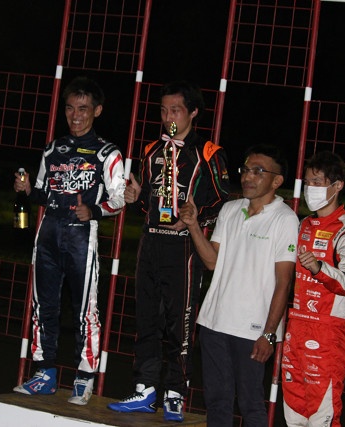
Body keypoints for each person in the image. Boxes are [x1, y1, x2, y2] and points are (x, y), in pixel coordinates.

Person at [107, 80, 230, 422]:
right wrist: (135, 198)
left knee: (180, 322)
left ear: (193, 112)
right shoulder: (151, 150)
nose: (168, 117)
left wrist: (196, 218)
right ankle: (145, 389)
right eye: (163, 110)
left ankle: (175, 392)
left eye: (176, 110)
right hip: (151, 242)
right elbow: (146, 200)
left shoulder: (209, 153)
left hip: (185, 246)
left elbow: (223, 201)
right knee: (146, 319)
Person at [12, 76, 126, 406]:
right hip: (48, 233)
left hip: (81, 237)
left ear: (97, 111)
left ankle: (84, 377)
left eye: (83, 109)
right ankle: (44, 373)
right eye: (70, 108)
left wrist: (95, 211)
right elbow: (41, 192)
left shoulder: (107, 152)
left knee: (85, 310)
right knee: (42, 306)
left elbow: (119, 199)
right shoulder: (53, 149)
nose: (76, 116)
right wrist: (26, 190)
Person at [181, 144, 299, 426]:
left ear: (277, 181)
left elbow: (284, 283)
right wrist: (194, 225)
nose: (248, 177)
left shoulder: (285, 219)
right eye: (246, 170)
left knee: (251, 404)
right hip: (214, 323)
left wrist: (269, 334)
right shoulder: (231, 209)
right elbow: (212, 262)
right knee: (217, 402)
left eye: (258, 171)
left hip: (252, 331)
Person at [281, 151, 345, 426]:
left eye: (318, 182)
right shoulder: (303, 225)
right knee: (294, 414)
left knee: (323, 416)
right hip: (295, 327)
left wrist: (320, 269)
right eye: (308, 182)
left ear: (337, 185)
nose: (311, 189)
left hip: (326, 333)